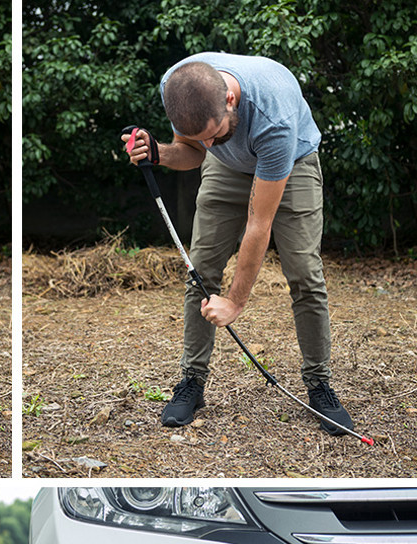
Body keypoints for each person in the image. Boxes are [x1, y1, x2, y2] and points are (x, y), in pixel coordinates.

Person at [124, 52, 354, 435]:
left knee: (305, 275)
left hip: (290, 164)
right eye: (204, 136)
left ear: (230, 100)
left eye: (214, 132)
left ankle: (319, 385)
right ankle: (192, 382)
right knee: (201, 271)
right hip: (228, 167)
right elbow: (195, 152)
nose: (209, 141)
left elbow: (259, 223)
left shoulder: (273, 116)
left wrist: (236, 302)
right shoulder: (177, 86)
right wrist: (159, 153)